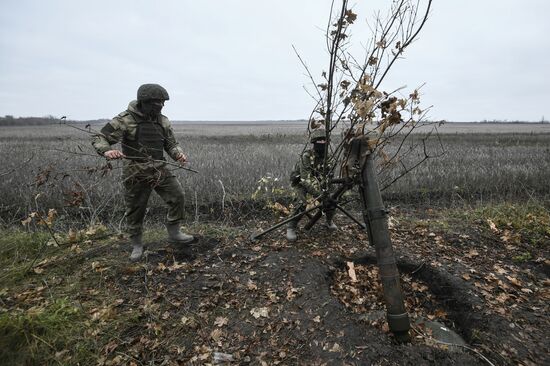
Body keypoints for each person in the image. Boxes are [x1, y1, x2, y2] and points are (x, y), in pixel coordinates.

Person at [92, 83, 194, 261]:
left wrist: (178, 154)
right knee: (136, 209)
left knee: (177, 196)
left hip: (158, 168)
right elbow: (100, 137)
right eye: (157, 103)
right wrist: (107, 151)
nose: (160, 106)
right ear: (144, 102)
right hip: (135, 171)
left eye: (162, 103)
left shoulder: (162, 120)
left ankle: (174, 232)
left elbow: (170, 143)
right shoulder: (125, 119)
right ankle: (137, 244)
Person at [286, 128, 337, 241]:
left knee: (332, 198)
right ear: (314, 143)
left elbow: (329, 176)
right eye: (319, 141)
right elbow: (305, 179)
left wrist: (325, 193)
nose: (322, 143)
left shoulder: (328, 158)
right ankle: (291, 227)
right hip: (300, 183)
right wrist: (319, 194)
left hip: (318, 182)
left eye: (324, 141)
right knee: (300, 202)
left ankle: (329, 221)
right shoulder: (306, 156)